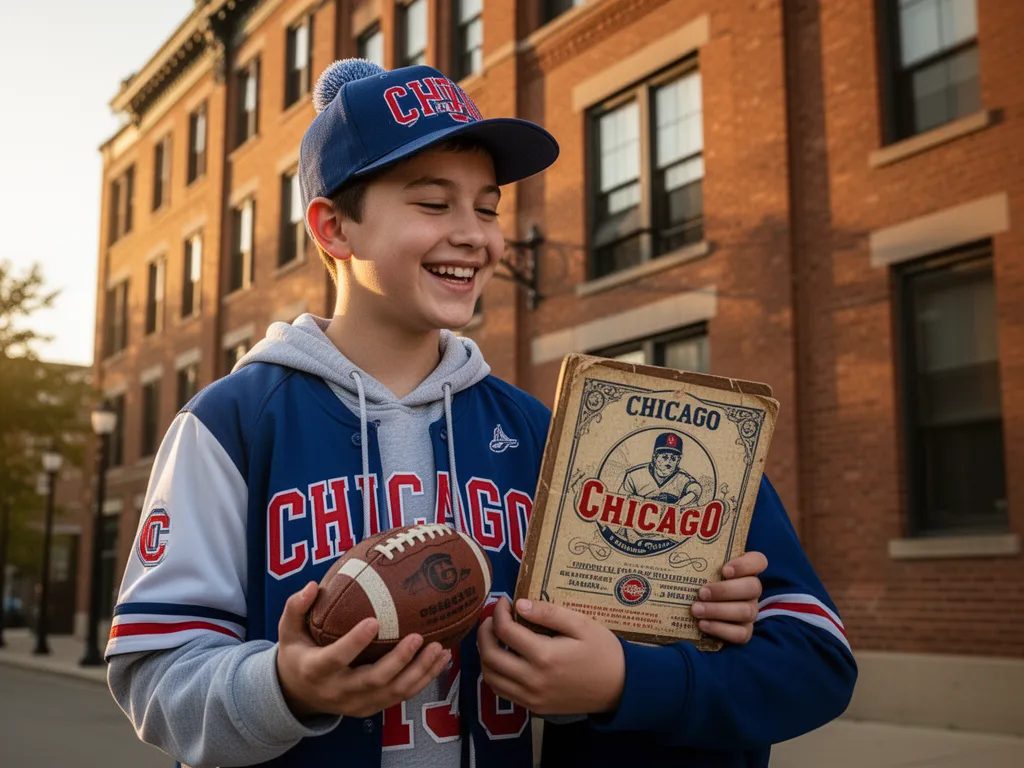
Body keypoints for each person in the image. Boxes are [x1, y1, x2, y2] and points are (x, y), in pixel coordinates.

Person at [104, 59, 767, 768]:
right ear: (334, 228)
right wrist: (286, 686)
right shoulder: (231, 423)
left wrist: (693, 605)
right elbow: (154, 677)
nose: (475, 235)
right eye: (433, 204)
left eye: (487, 208)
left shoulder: (539, 431)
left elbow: (593, 648)